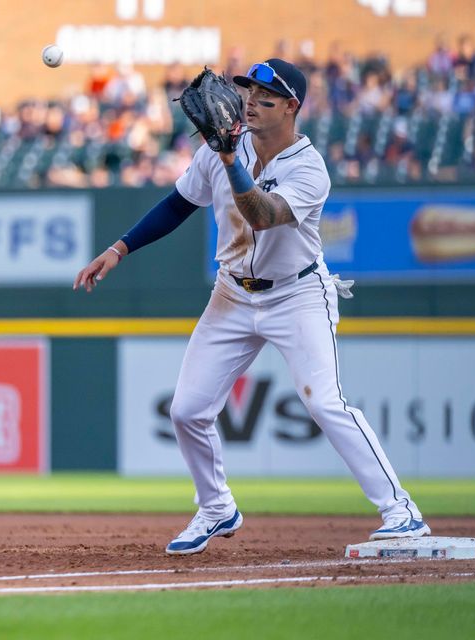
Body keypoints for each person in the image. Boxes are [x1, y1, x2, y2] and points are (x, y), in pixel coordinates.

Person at [74, 58, 430, 555]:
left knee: (325, 402)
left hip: (296, 294)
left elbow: (262, 216)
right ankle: (217, 507)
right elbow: (178, 204)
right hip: (232, 293)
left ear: (292, 107)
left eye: (267, 97)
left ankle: (402, 512)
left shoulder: (309, 169)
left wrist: (227, 161)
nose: (251, 103)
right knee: (187, 410)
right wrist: (118, 249)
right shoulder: (223, 146)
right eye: (248, 93)